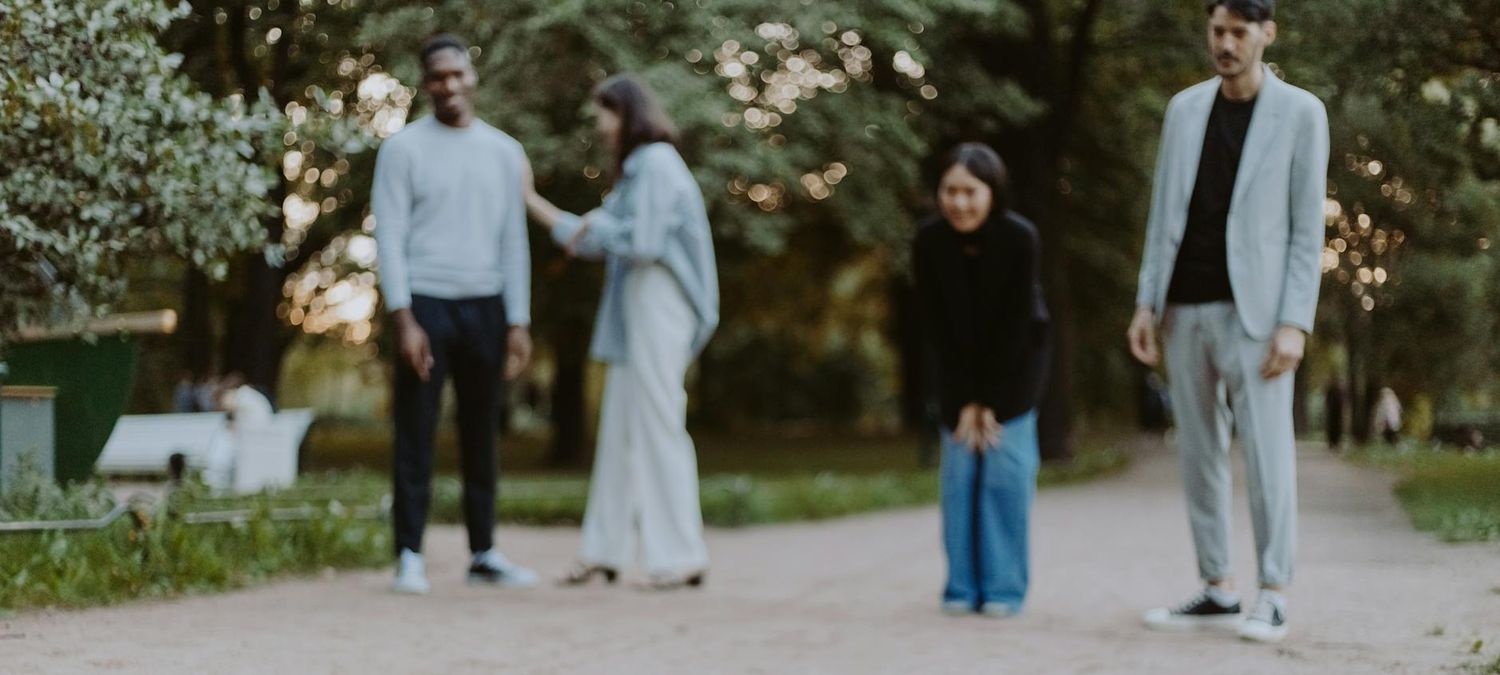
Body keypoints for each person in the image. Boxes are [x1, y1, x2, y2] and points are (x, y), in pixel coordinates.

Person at [1126, 0, 1328, 643]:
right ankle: (1217, 586)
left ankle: (1272, 592)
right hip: (1184, 307)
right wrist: (1145, 303)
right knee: (1198, 454)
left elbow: (1305, 230)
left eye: (1239, 32)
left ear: (1266, 34)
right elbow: (1163, 214)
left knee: (1268, 455)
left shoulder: (1301, 113)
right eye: (1217, 30)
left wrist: (1295, 321)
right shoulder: (1184, 109)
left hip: (1260, 315)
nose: (1226, 43)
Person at [525, 75, 719, 590]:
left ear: (625, 113)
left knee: (658, 425)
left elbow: (645, 243)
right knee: (619, 431)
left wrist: (594, 225)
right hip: (638, 304)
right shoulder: (637, 173)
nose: (600, 127)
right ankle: (602, 549)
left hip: (660, 299)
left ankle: (681, 554)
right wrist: (532, 202)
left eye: (604, 116)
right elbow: (591, 240)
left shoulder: (655, 163)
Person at [371, 33, 538, 595]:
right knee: (416, 430)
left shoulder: (506, 151)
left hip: (487, 307)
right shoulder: (402, 150)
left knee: (481, 431)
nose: (448, 85)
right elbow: (389, 236)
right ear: (425, 84)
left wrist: (518, 320)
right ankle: (410, 555)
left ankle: (484, 552)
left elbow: (514, 240)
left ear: (471, 76)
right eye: (436, 77)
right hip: (426, 303)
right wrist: (404, 318)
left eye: (456, 74)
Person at [912, 143, 1050, 618]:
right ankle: (961, 586)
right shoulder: (928, 241)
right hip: (957, 379)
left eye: (970, 191)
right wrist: (963, 400)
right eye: (950, 191)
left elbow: (1015, 327)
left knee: (1004, 480)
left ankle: (1004, 589)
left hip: (1015, 375)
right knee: (959, 479)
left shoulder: (1019, 238)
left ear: (992, 192)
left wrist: (989, 400)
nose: (959, 202)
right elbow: (936, 328)